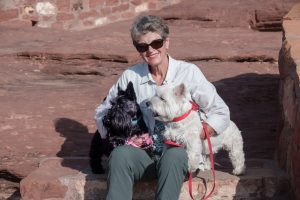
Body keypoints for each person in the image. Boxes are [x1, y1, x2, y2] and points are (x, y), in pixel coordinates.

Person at [94, 15, 230, 200]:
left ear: (167, 42)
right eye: (142, 46)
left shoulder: (188, 73)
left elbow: (221, 112)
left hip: (179, 156)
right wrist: (124, 134)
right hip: (144, 154)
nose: (150, 50)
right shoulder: (131, 76)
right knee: (119, 155)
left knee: (174, 157)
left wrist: (193, 135)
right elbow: (102, 113)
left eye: (156, 43)